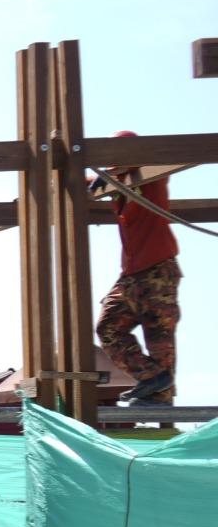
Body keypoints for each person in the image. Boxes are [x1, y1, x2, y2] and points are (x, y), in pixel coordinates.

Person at [93, 130, 182, 406]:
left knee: (160, 337)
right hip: (133, 273)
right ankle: (152, 378)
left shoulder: (151, 174)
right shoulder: (116, 184)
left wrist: (109, 171)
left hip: (158, 269)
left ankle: (159, 396)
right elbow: (93, 181)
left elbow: (136, 161)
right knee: (108, 326)